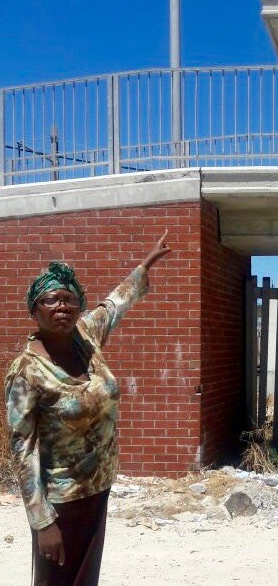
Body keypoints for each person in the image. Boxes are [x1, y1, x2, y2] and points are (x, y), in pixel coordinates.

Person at [4, 231, 171, 586]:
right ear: (35, 310)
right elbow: (22, 448)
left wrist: (146, 264)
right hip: (60, 499)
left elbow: (114, 303)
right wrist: (41, 520)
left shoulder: (86, 336)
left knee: (85, 578)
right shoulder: (26, 371)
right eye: (51, 300)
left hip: (97, 486)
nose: (61, 306)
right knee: (56, 580)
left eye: (69, 300)